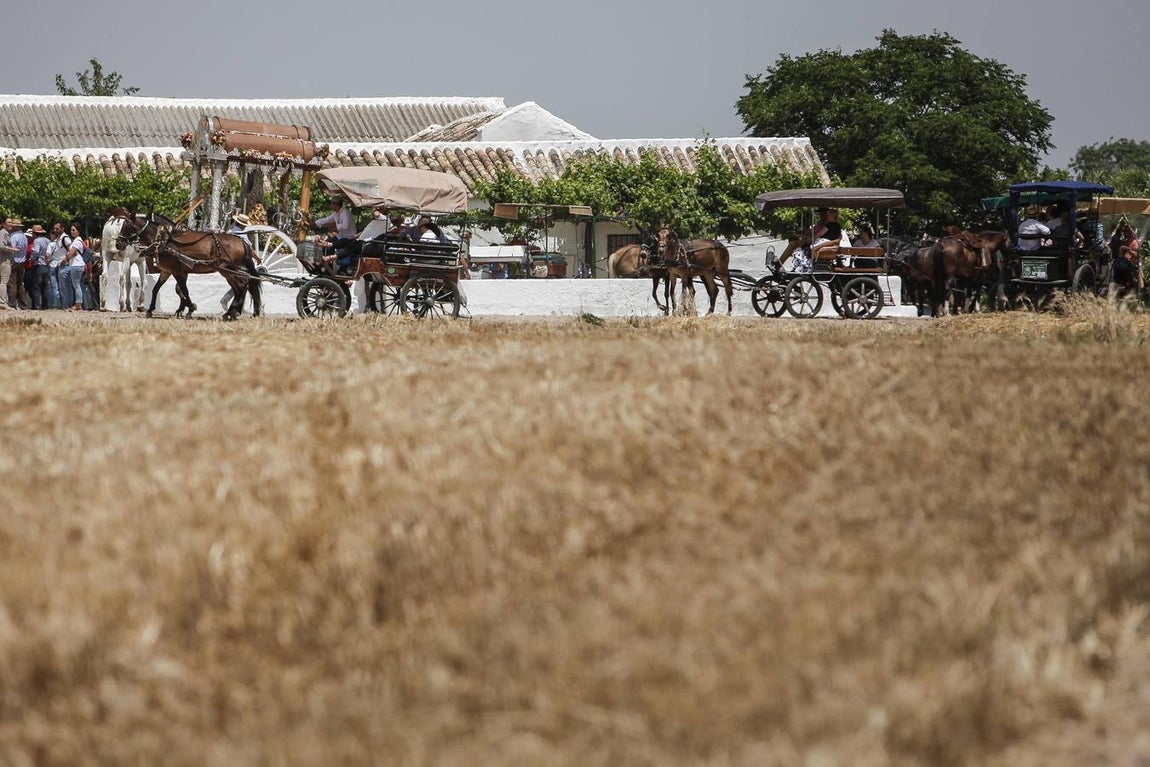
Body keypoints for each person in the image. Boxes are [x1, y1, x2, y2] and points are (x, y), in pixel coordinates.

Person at [59, 222, 86, 311]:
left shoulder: (77, 241)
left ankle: (78, 304)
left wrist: (63, 260)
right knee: (77, 285)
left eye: (74, 230)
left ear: (78, 231)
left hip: (76, 265)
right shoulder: (78, 241)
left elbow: (71, 254)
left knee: (76, 285)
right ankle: (78, 303)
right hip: (77, 265)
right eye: (71, 230)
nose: (72, 232)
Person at [5, 218, 29, 309]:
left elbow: (12, 249)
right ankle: (24, 305)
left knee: (12, 283)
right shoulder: (24, 237)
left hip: (14, 261)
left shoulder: (13, 237)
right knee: (20, 284)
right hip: (22, 262)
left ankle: (11, 303)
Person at [27, 225, 51, 309]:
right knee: (45, 286)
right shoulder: (48, 240)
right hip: (47, 265)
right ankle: (45, 305)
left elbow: (36, 251)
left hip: (39, 265)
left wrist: (32, 258)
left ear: (35, 233)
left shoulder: (37, 241)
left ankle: (36, 305)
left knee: (36, 286)